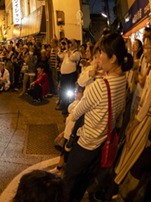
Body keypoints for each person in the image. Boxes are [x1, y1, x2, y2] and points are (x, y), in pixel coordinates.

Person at [63, 33, 133, 202]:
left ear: (113, 57)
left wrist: (72, 108)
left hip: (86, 144)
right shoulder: (122, 81)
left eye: (102, 52)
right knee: (83, 182)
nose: (99, 56)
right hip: (102, 143)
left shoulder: (100, 86)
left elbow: (77, 113)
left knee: (69, 183)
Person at [113, 32, 151, 198]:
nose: (145, 50)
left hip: (144, 121)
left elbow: (145, 107)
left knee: (134, 154)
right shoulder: (144, 63)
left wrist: (131, 128)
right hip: (141, 114)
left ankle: (121, 191)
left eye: (148, 47)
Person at [57, 39, 80, 114]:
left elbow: (72, 58)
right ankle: (63, 105)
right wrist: (61, 47)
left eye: (72, 44)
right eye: (70, 43)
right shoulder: (67, 52)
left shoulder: (76, 53)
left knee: (69, 91)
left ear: (76, 44)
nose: (70, 45)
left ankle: (69, 107)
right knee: (63, 90)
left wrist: (67, 49)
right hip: (64, 75)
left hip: (71, 75)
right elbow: (60, 55)